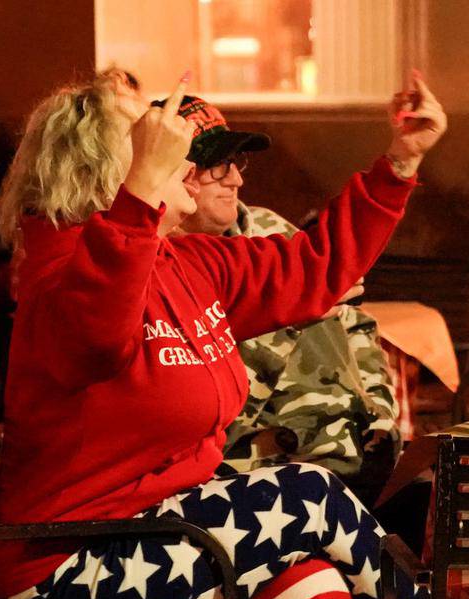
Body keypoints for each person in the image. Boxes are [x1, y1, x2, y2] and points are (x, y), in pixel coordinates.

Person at [0, 68, 446, 599]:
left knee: (316, 596)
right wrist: (140, 195)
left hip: (161, 539)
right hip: (63, 572)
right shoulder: (60, 274)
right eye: (153, 143)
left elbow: (316, 269)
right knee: (305, 491)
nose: (179, 154)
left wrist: (397, 164)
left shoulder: (184, 263)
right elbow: (99, 326)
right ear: (113, 167)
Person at [163, 94, 402, 505]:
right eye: (218, 166)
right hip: (268, 473)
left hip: (359, 453)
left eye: (238, 163)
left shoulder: (271, 229)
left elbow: (356, 324)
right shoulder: (165, 270)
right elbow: (205, 409)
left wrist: (379, 411)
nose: (236, 180)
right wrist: (297, 307)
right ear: (175, 173)